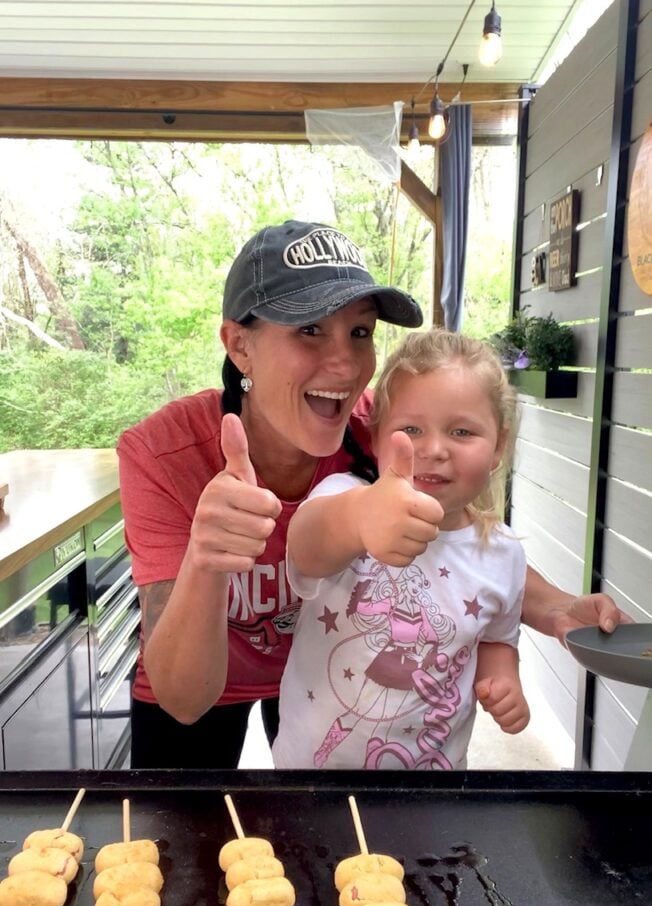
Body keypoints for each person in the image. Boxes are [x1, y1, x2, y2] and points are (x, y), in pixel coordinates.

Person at [117, 219, 629, 771]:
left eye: (359, 332)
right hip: (206, 675)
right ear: (240, 345)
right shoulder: (163, 454)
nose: (344, 365)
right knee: (177, 823)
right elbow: (183, 700)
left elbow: (459, 547)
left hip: (325, 673)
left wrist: (557, 609)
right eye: (309, 330)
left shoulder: (392, 433)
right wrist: (206, 558)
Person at [272, 329, 530, 770]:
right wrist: (360, 519)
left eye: (462, 431)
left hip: (431, 787)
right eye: (411, 429)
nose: (434, 449)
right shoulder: (343, 495)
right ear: (375, 438)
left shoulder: (503, 554)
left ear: (498, 447)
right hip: (310, 780)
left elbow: (496, 639)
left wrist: (503, 678)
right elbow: (307, 547)